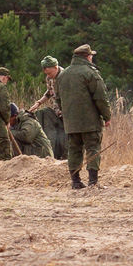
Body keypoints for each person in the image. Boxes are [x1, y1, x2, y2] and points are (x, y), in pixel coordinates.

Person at [59, 43, 112, 190]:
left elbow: (58, 98)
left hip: (70, 122)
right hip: (90, 121)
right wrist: (107, 116)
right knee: (93, 148)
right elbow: (101, 97)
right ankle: (92, 182)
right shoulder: (90, 73)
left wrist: (66, 115)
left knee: (74, 150)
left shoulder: (63, 75)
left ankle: (75, 182)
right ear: (88, 57)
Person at [31, 56, 67, 159]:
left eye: (49, 73)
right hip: (57, 111)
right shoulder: (49, 78)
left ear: (56, 67)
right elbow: (49, 93)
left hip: (67, 112)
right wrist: (38, 103)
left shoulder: (65, 77)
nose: (48, 76)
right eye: (46, 74)